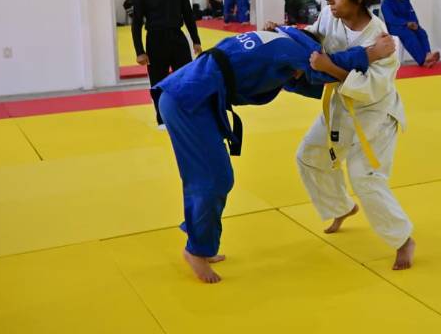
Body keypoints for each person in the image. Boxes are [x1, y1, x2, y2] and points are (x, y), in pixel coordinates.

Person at [155, 26, 396, 283]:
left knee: (209, 177)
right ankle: (196, 250)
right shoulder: (294, 50)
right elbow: (325, 65)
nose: (297, 73)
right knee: (213, 179)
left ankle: (202, 242)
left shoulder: (277, 41)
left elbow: (295, 82)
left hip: (189, 96)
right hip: (189, 102)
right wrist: (371, 53)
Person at [267, 0, 416, 270]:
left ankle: (403, 239)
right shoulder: (329, 17)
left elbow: (371, 87)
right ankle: (341, 207)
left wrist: (329, 68)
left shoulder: (383, 40)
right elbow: (313, 39)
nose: (330, 2)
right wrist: (283, 34)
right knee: (309, 155)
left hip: (376, 114)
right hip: (340, 107)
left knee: (365, 178)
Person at [132, 0, 201, 128]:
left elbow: (188, 16)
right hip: (155, 41)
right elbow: (137, 23)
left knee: (185, 79)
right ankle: (162, 118)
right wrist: (140, 51)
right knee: (158, 82)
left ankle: (186, 113)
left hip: (177, 38)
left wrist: (196, 41)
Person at [381, 0, 440, 67]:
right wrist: (406, 23)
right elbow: (390, 19)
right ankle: (422, 61)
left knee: (421, 32)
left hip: (409, 25)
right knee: (409, 35)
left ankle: (428, 55)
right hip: (395, 27)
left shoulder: (406, 1)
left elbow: (412, 14)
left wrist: (415, 24)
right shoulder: (386, 3)